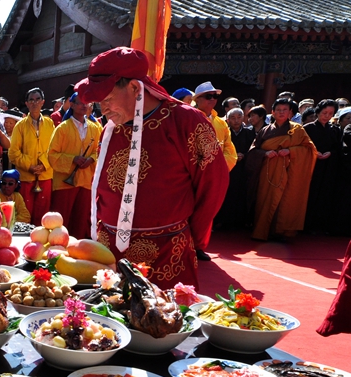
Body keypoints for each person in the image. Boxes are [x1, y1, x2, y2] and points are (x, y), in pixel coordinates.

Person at [74, 47, 229, 288]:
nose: (102, 110)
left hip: (166, 252)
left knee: (166, 310)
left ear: (134, 88)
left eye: (107, 99)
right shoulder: (111, 128)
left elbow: (213, 184)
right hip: (109, 254)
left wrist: (192, 236)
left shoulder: (186, 121)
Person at [245, 98, 316, 242]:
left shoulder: (297, 130)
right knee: (266, 199)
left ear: (290, 112)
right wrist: (265, 153)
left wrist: (291, 151)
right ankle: (263, 231)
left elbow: (309, 150)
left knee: (286, 200)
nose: (281, 112)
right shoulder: (265, 130)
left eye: (285, 110)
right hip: (268, 171)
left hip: (289, 171)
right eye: (278, 110)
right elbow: (252, 151)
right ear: (272, 112)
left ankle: (283, 232)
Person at [191, 81, 237, 260]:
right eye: (208, 96)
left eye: (215, 96)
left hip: (214, 174)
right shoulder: (189, 118)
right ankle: (183, 246)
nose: (212, 99)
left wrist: (219, 169)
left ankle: (199, 246)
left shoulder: (221, 123)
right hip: (193, 173)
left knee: (207, 211)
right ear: (197, 99)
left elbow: (229, 149)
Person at [47, 93, 101, 237]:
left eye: (86, 103)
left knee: (82, 221)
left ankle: (78, 247)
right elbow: (51, 155)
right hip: (64, 183)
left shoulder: (95, 128)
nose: (84, 106)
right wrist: (73, 159)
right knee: (61, 220)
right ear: (71, 104)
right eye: (80, 103)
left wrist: (91, 159)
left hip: (86, 180)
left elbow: (100, 150)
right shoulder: (62, 128)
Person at [8, 88, 55, 224]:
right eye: (31, 100)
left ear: (43, 102)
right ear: (27, 103)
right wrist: (30, 166)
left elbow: (54, 149)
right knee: (25, 213)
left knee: (43, 213)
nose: (35, 103)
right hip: (26, 177)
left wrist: (44, 164)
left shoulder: (49, 123)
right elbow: (13, 152)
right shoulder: (20, 126)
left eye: (37, 99)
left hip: (45, 175)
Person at [303, 99, 342, 233]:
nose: (327, 116)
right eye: (324, 112)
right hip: (312, 166)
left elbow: (338, 149)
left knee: (326, 194)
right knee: (311, 194)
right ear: (318, 111)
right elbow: (302, 147)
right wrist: (315, 152)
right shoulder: (308, 128)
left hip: (329, 166)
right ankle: (306, 225)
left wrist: (331, 153)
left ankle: (321, 225)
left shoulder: (335, 130)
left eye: (330, 113)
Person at [215, 107, 255, 229]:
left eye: (239, 117)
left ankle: (240, 222)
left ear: (243, 118)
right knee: (226, 193)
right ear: (227, 120)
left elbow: (255, 149)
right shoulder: (224, 131)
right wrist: (232, 156)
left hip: (244, 168)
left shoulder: (249, 132)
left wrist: (245, 155)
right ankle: (223, 221)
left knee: (242, 193)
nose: (236, 121)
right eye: (232, 118)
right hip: (228, 167)